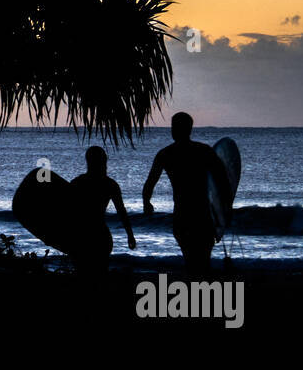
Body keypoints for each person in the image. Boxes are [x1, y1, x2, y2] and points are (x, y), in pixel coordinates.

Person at [143, 112, 231, 278]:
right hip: (202, 214)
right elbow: (223, 180)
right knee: (203, 260)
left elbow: (150, 183)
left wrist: (146, 202)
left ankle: (196, 293)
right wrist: (227, 207)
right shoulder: (203, 151)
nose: (173, 130)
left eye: (174, 127)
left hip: (184, 214)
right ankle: (202, 294)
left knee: (191, 260)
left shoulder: (166, 154)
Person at [66, 146, 135, 275]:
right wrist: (130, 235)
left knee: (83, 274)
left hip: (80, 237)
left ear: (88, 161)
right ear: (104, 161)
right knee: (100, 274)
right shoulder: (110, 184)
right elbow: (121, 212)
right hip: (100, 236)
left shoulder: (77, 183)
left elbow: (66, 212)